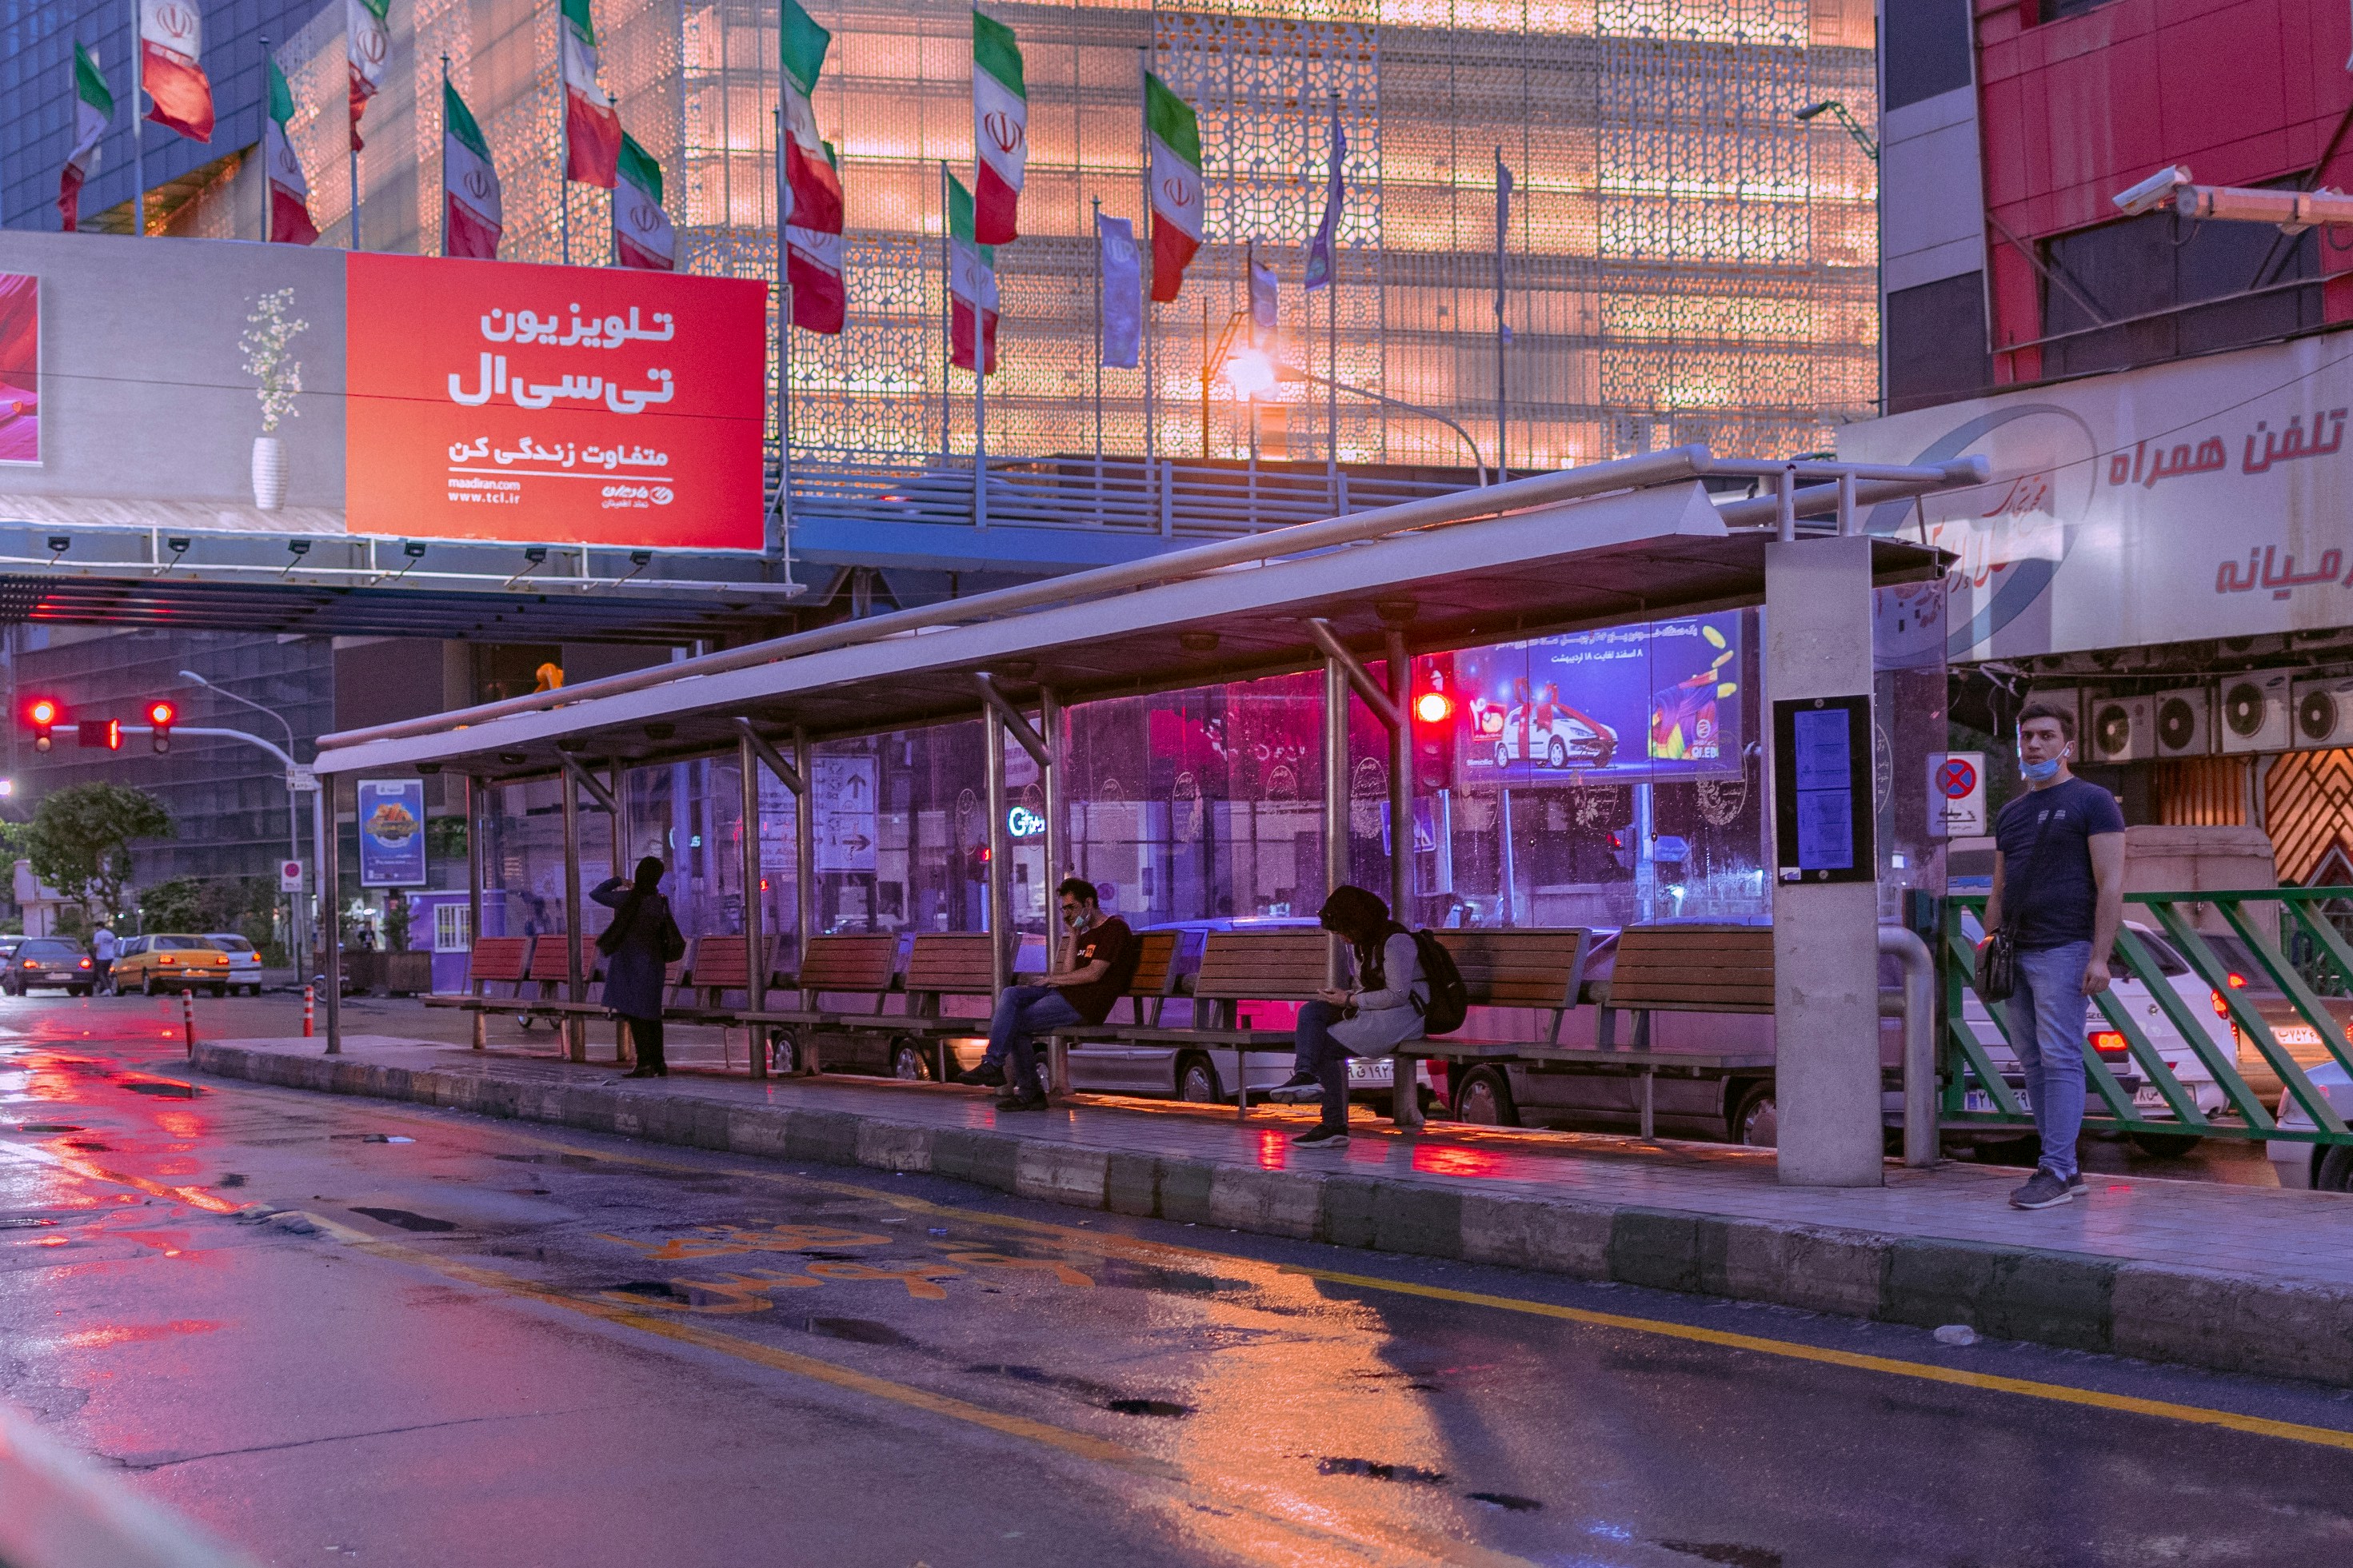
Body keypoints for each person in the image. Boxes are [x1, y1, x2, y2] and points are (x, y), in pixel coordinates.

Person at [1985, 699, 2125, 1210]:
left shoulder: (2093, 801)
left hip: (2065, 947)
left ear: (2068, 744)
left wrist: (2100, 956)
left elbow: (2111, 883)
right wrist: (1988, 946)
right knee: (2032, 1060)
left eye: (2045, 736)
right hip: (2016, 951)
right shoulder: (2011, 813)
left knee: (2061, 1056)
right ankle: (2060, 1163)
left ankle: (2059, 1169)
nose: (2035, 745)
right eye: (2027, 737)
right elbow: (1999, 888)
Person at [953, 878, 1136, 1111]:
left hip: (1084, 1005)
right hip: (1066, 997)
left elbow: (1093, 974)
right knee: (1011, 994)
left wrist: (1051, 979)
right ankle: (995, 1066)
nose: (1067, 914)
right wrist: (1074, 935)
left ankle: (1021, 1087)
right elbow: (1070, 972)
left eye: (1072, 907)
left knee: (1015, 1022)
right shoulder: (1086, 934)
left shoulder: (1114, 929)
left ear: (1089, 903)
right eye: (1064, 909)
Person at [1276, 885, 1426, 1147]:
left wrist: (1349, 1000)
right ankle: (1305, 1074)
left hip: (1403, 1017)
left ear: (1357, 922)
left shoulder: (1396, 942)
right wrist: (1345, 996)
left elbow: (1397, 995)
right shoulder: (1363, 945)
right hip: (1376, 1010)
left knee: (1325, 1046)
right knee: (1312, 1011)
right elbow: (1365, 987)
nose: (1341, 937)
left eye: (1342, 930)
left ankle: (1334, 1125)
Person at [591, 856, 685, 1079]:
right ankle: (658, 1063)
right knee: (652, 1015)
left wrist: (619, 880)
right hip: (654, 965)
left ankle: (644, 1064)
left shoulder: (629, 899)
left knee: (636, 1015)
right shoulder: (659, 901)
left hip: (630, 965)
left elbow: (596, 894)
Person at [89, 923, 117, 995]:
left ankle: (107, 989)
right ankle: (107, 989)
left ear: (99, 927)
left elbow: (96, 946)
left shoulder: (98, 934)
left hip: (102, 956)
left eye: (96, 928)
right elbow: (114, 945)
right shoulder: (111, 934)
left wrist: (95, 956)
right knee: (106, 973)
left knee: (100, 973)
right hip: (110, 956)